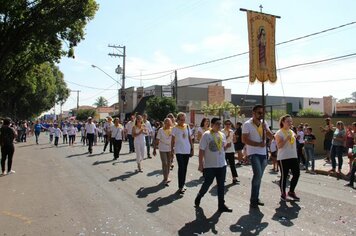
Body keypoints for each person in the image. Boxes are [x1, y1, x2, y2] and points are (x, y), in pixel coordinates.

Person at [194, 117, 233, 213]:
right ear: (212, 125)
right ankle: (200, 195)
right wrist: (200, 164)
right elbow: (201, 150)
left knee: (221, 185)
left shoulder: (222, 135)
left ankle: (221, 205)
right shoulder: (206, 135)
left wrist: (227, 145)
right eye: (217, 124)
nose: (219, 125)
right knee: (207, 183)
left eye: (220, 124)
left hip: (222, 164)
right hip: (210, 165)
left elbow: (222, 148)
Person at [242, 105, 273, 208]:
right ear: (253, 113)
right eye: (259, 113)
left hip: (263, 153)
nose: (261, 115)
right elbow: (244, 140)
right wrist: (257, 144)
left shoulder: (264, 123)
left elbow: (271, 136)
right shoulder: (247, 124)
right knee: (258, 174)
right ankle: (253, 199)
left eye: (263, 113)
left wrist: (266, 129)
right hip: (253, 153)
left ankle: (255, 197)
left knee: (259, 176)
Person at [275, 115, 301, 201]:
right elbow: (279, 146)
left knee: (297, 174)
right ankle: (283, 193)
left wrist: (295, 137)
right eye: (288, 121)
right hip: (283, 158)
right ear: (283, 122)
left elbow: (292, 142)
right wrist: (286, 139)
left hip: (293, 156)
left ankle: (291, 192)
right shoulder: (279, 133)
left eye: (291, 121)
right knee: (284, 176)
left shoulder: (292, 131)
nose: (290, 123)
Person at [171, 112, 194, 194]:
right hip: (179, 150)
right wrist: (171, 150)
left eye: (184, 119)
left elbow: (190, 138)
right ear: (178, 119)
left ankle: (183, 184)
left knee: (185, 168)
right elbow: (172, 140)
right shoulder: (175, 128)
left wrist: (192, 148)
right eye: (181, 120)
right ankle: (180, 186)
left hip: (187, 150)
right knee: (181, 167)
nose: (183, 121)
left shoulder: (187, 126)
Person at [153, 118, 173, 186]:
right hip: (162, 148)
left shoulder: (172, 129)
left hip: (170, 148)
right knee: (165, 163)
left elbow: (174, 139)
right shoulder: (161, 130)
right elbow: (157, 139)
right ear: (164, 123)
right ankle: (165, 178)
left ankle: (167, 176)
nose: (168, 123)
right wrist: (154, 149)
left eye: (169, 122)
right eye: (166, 122)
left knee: (169, 163)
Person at [222, 119, 239, 184]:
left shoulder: (232, 131)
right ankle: (222, 178)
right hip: (224, 151)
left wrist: (234, 138)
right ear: (225, 125)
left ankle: (234, 178)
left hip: (231, 150)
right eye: (227, 124)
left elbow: (234, 141)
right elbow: (222, 140)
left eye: (229, 124)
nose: (228, 125)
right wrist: (228, 135)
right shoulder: (222, 131)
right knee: (223, 165)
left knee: (232, 165)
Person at [345, 122, 356, 188]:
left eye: (353, 126)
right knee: (353, 169)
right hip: (354, 148)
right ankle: (351, 183)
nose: (352, 127)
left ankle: (351, 183)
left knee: (353, 168)